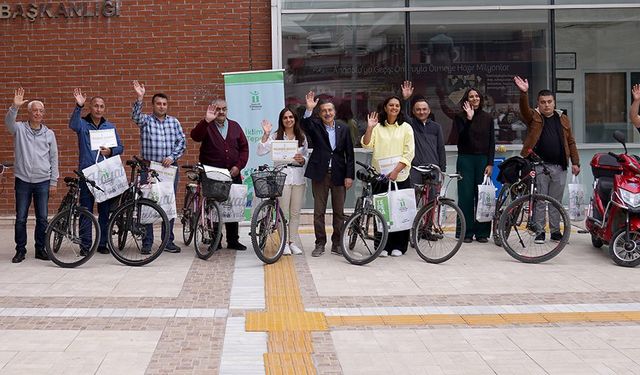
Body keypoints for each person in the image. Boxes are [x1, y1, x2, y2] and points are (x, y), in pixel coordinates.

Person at [514, 76, 580, 243]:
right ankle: (539, 231)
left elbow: (571, 141)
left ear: (554, 102)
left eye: (549, 101)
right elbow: (524, 110)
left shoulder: (562, 118)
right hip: (539, 166)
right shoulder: (534, 117)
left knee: (556, 202)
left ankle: (556, 231)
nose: (547, 105)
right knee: (540, 200)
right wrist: (524, 93)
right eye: (543, 102)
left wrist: (576, 162)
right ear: (539, 103)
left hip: (560, 166)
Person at [131, 80, 186, 253]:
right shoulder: (146, 120)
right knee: (147, 203)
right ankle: (147, 242)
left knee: (168, 204)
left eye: (164, 104)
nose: (162, 107)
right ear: (153, 105)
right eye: (158, 104)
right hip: (149, 168)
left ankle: (167, 241)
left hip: (169, 168)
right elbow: (134, 116)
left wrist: (172, 156)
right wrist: (140, 97)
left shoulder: (174, 122)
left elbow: (182, 142)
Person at [5, 88, 59, 263]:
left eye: (41, 111)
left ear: (43, 114)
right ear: (29, 112)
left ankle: (40, 249)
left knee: (42, 218)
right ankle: (20, 250)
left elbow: (54, 158)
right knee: (21, 218)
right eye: (34, 110)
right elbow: (8, 123)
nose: (38, 113)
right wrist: (14, 106)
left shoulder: (49, 134)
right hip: (23, 180)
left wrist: (53, 182)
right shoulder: (19, 129)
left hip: (43, 181)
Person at [69, 88, 124, 254]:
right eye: (95, 106)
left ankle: (102, 244)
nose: (98, 109)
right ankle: (85, 245)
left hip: (104, 175)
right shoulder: (82, 124)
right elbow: (72, 124)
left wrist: (111, 151)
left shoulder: (110, 127)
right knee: (86, 210)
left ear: (104, 109)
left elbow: (120, 147)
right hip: (87, 174)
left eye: (101, 106)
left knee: (105, 211)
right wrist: (78, 106)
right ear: (90, 108)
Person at [190, 99, 248, 251]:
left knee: (232, 206)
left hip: (232, 174)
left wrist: (238, 166)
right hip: (212, 175)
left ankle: (233, 240)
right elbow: (195, 136)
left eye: (224, 109)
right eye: (218, 109)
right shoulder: (207, 125)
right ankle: (216, 241)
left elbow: (244, 149)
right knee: (215, 208)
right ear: (213, 110)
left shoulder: (235, 126)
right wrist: (206, 121)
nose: (221, 112)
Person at [302, 91, 355, 257]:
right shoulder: (316, 126)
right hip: (320, 173)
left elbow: (350, 154)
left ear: (335, 112)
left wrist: (349, 175)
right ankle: (320, 243)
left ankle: (337, 244)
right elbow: (305, 125)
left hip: (339, 173)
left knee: (339, 212)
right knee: (319, 212)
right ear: (320, 113)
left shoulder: (344, 128)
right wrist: (309, 109)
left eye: (330, 110)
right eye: (324, 111)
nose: (327, 113)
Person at [362, 96, 415, 257]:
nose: (394, 108)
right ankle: (382, 245)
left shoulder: (406, 127)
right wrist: (370, 128)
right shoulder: (378, 127)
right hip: (381, 177)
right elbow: (366, 145)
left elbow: (409, 153)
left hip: (400, 176)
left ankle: (400, 245)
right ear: (385, 107)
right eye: (391, 105)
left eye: (397, 105)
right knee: (383, 211)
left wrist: (396, 171)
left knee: (400, 211)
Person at [257, 107, 308, 255]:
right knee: (282, 213)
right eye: (285, 118)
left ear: (295, 119)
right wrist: (266, 134)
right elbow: (260, 150)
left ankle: (292, 242)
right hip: (282, 177)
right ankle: (284, 242)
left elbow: (306, 156)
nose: (288, 120)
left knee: (295, 213)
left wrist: (302, 159)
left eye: (291, 117)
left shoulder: (302, 137)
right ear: (281, 120)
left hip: (298, 177)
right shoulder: (275, 136)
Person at [455, 87, 494, 243]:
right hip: (465, 159)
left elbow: (492, 142)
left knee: (483, 196)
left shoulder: (488, 118)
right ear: (466, 99)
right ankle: (465, 232)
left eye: (476, 96)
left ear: (480, 99)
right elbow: (461, 139)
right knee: (465, 197)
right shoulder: (459, 117)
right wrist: (469, 119)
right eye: (471, 96)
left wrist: (490, 163)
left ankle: (482, 233)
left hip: (482, 160)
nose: (474, 98)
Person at [400, 81, 447, 186]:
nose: (422, 112)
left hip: (433, 170)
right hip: (415, 170)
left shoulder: (436, 127)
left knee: (432, 200)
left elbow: (441, 149)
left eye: (424, 109)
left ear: (429, 111)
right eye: (418, 110)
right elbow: (401, 114)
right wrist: (405, 99)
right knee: (414, 200)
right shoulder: (411, 125)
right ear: (413, 111)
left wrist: (442, 171)